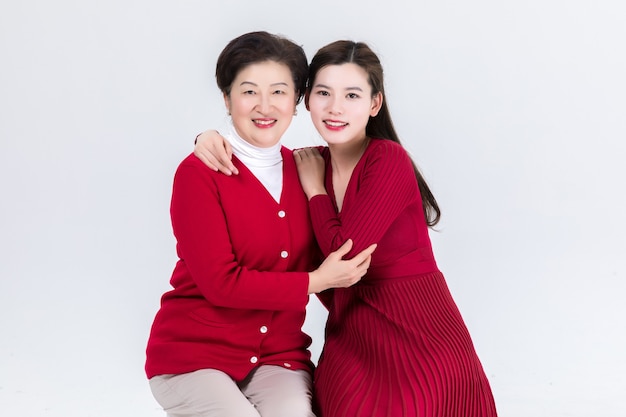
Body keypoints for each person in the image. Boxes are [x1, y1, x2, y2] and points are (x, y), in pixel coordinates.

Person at [195, 40, 498, 417]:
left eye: (352, 95)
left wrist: (316, 191)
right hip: (350, 336)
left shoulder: (386, 159)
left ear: (374, 104)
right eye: (323, 93)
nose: (335, 108)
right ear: (306, 100)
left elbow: (346, 254)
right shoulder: (307, 165)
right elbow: (258, 167)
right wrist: (206, 138)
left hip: (417, 333)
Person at [145, 31, 377, 417]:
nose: (264, 106)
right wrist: (316, 281)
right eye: (249, 91)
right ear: (227, 98)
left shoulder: (310, 168)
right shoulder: (199, 173)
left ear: (297, 101)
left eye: (279, 92)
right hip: (194, 355)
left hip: (277, 356)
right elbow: (221, 283)